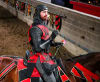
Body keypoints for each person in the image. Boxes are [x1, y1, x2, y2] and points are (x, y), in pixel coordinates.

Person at [27, 5, 62, 82]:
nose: (46, 14)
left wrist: (55, 44)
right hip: (38, 58)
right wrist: (52, 37)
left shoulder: (43, 25)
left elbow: (45, 41)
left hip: (45, 56)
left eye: (47, 12)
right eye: (43, 12)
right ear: (38, 13)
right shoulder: (35, 28)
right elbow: (38, 48)